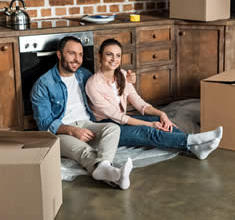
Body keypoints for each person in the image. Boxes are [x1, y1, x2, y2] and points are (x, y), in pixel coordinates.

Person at [85, 38, 223, 160]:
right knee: (147, 131)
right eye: (109, 54)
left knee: (159, 121)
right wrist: (148, 124)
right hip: (107, 128)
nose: (114, 59)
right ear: (99, 56)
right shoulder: (93, 84)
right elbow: (117, 117)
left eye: (118, 55)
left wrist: (162, 114)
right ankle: (192, 140)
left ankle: (194, 147)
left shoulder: (121, 74)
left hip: (122, 120)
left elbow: (139, 103)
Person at [31, 36, 135, 190]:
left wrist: (126, 78)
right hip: (61, 133)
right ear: (59, 55)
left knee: (113, 128)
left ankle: (107, 169)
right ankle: (115, 176)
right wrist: (72, 130)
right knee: (85, 151)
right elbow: (44, 123)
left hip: (88, 124)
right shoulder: (43, 84)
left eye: (80, 55)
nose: (77, 59)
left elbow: (107, 78)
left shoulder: (83, 74)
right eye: (72, 53)